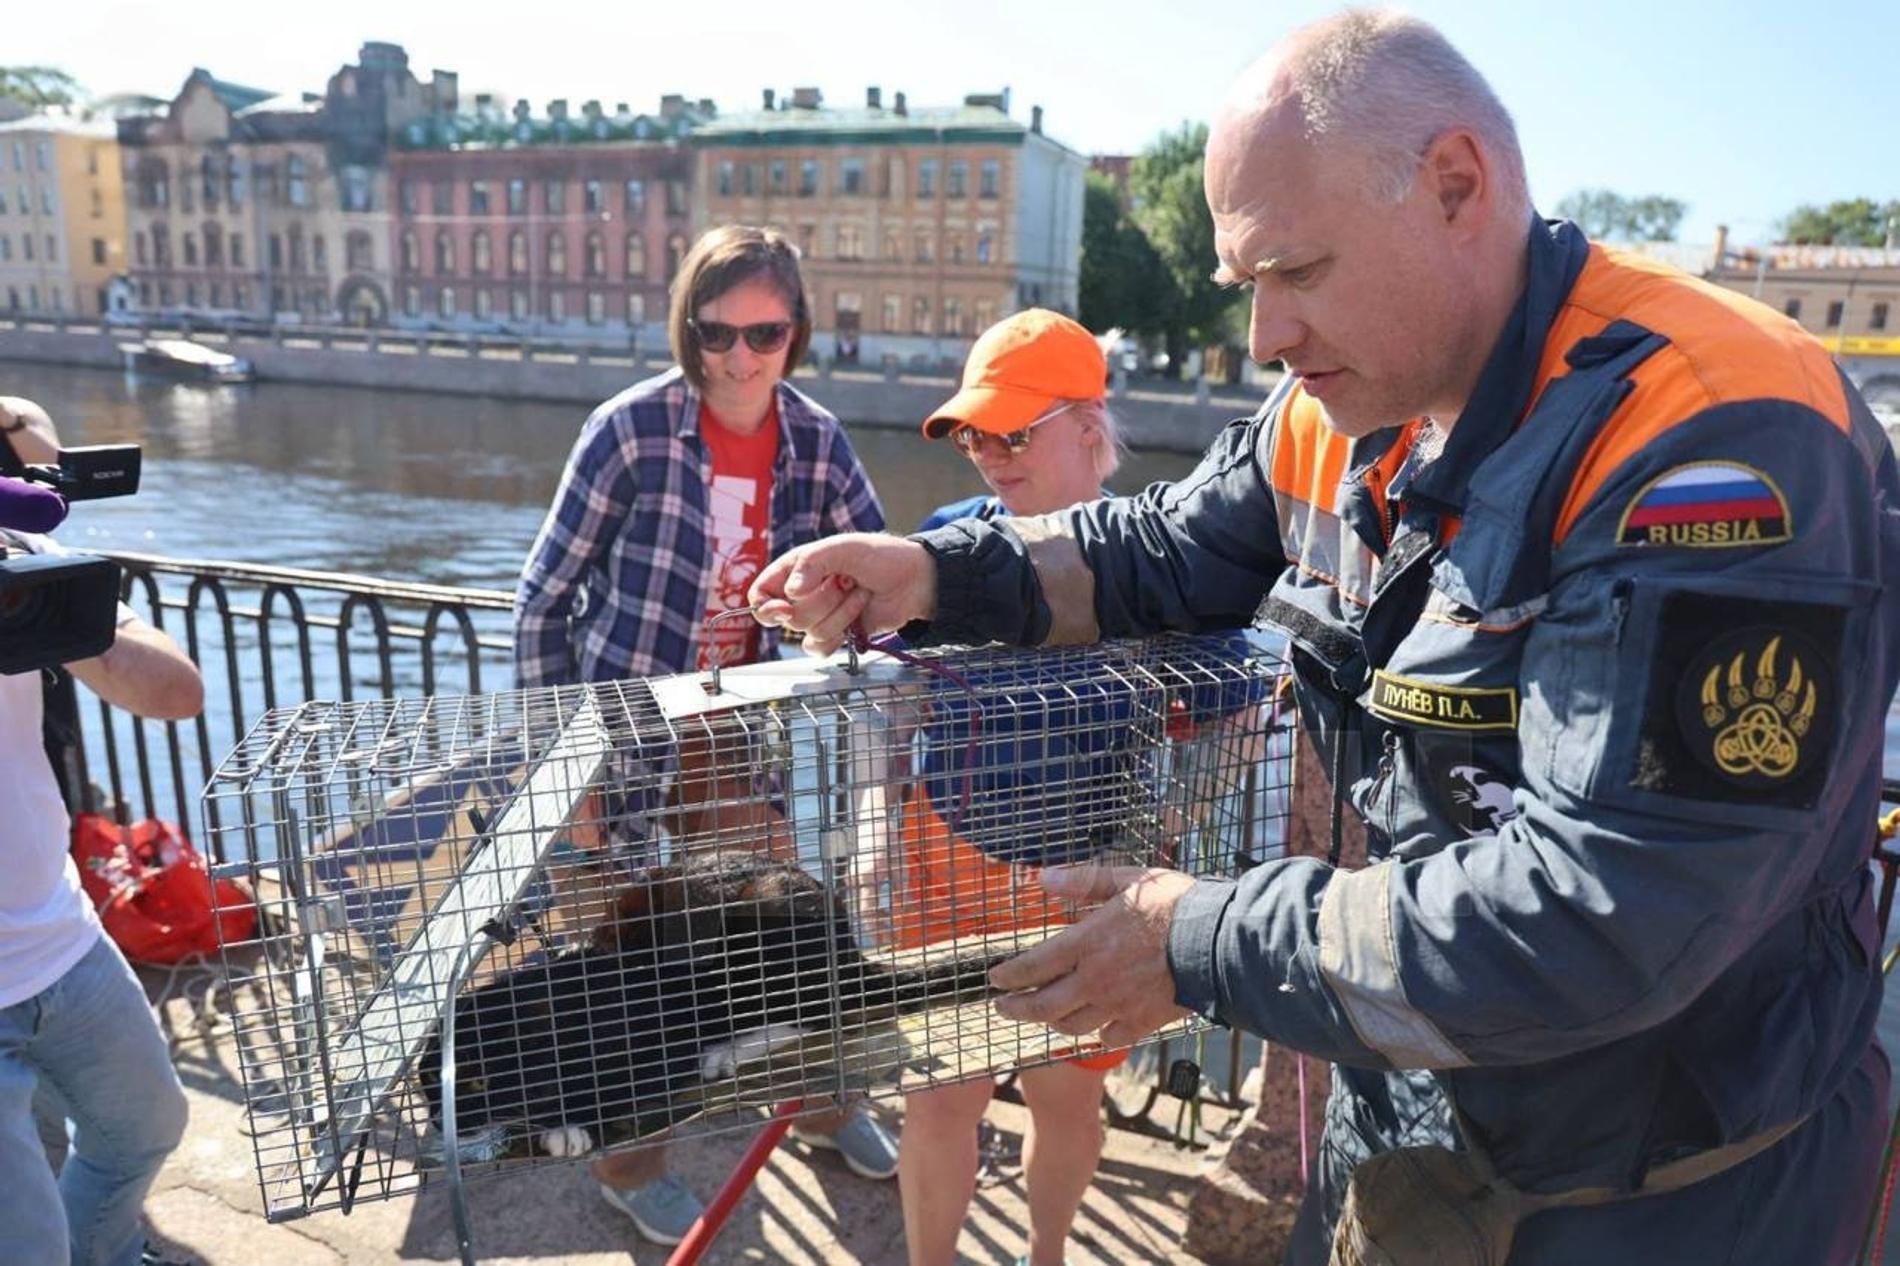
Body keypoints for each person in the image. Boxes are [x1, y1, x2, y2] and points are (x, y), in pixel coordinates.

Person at [748, 11, 1900, 1264]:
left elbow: (1609, 914)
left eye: (1295, 272)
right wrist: (931, 571)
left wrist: (1196, 939)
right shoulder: (1350, 401)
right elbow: (1163, 550)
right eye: (1247, 286)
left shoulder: (1714, 436)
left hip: (1661, 1189)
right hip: (1413, 1114)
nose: (1265, 338)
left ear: (1455, 185)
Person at [514, 224, 898, 1247]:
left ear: (795, 332)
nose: (738, 357)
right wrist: (562, 772)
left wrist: (874, 627)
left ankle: (819, 1106)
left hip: (734, 735)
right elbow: (542, 602)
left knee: (789, 931)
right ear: (687, 329)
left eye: (763, 334)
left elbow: (882, 583)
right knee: (626, 968)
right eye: (715, 333)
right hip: (619, 734)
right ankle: (630, 1167)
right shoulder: (629, 431)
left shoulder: (816, 441)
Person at [892, 309, 1132, 1266]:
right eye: (974, 437)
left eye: (1013, 433)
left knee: (1066, 1096)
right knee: (939, 1096)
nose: (990, 455)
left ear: (1088, 427)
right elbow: (895, 705)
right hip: (947, 854)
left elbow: (1224, 710)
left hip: (1085, 873)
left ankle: (1047, 1255)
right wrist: (871, 841)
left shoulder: (1158, 560)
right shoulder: (944, 543)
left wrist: (1173, 845)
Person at [1, 396, 206, 1266]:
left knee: (144, 1127)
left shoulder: (22, 552)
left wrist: (53, 612)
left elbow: (178, 692)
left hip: (56, 938)